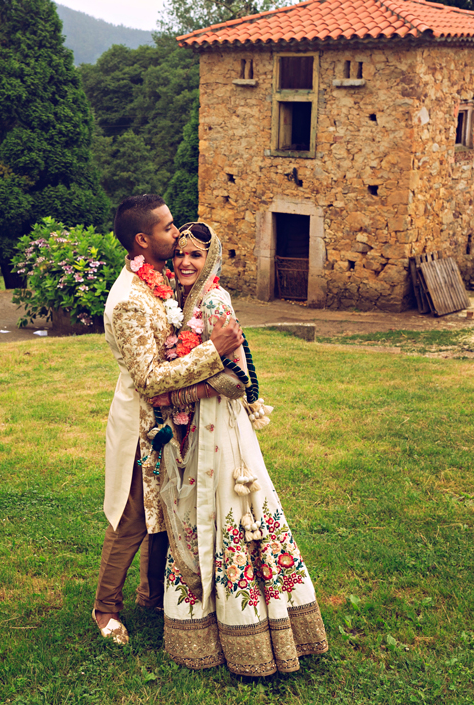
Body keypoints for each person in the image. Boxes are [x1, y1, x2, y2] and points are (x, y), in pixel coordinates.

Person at [154, 222, 329, 675]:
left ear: (211, 259)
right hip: (192, 430)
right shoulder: (179, 303)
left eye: (195, 255)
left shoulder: (214, 301)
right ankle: (200, 621)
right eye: (180, 255)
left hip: (221, 431)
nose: (185, 263)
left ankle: (244, 628)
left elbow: (237, 380)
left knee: (226, 511)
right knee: (195, 510)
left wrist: (178, 394)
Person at [94, 196, 245, 645]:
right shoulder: (128, 300)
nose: (176, 235)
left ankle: (151, 595)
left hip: (172, 415)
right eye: (168, 228)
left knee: (171, 507)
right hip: (142, 423)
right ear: (143, 239)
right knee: (133, 515)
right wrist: (211, 352)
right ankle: (105, 609)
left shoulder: (157, 276)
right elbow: (147, 377)